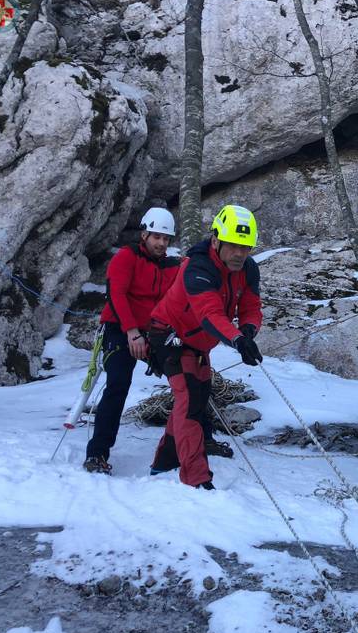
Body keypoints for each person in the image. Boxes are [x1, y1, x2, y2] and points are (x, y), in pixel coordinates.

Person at [147, 204, 263, 490]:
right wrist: (237, 340)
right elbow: (210, 314)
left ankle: (164, 460)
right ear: (215, 240)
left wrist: (248, 331)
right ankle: (196, 478)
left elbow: (250, 305)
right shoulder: (197, 268)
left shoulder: (247, 269)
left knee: (195, 398)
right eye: (234, 246)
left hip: (199, 344)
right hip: (168, 337)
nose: (240, 253)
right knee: (190, 404)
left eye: (246, 247)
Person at [83, 208, 180, 474]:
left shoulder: (172, 266)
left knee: (189, 376)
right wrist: (132, 332)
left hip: (155, 331)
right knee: (117, 385)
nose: (161, 243)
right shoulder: (126, 258)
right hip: (119, 329)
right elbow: (116, 295)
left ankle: (201, 440)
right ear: (145, 234)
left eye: (166, 239)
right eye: (157, 236)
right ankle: (97, 454)